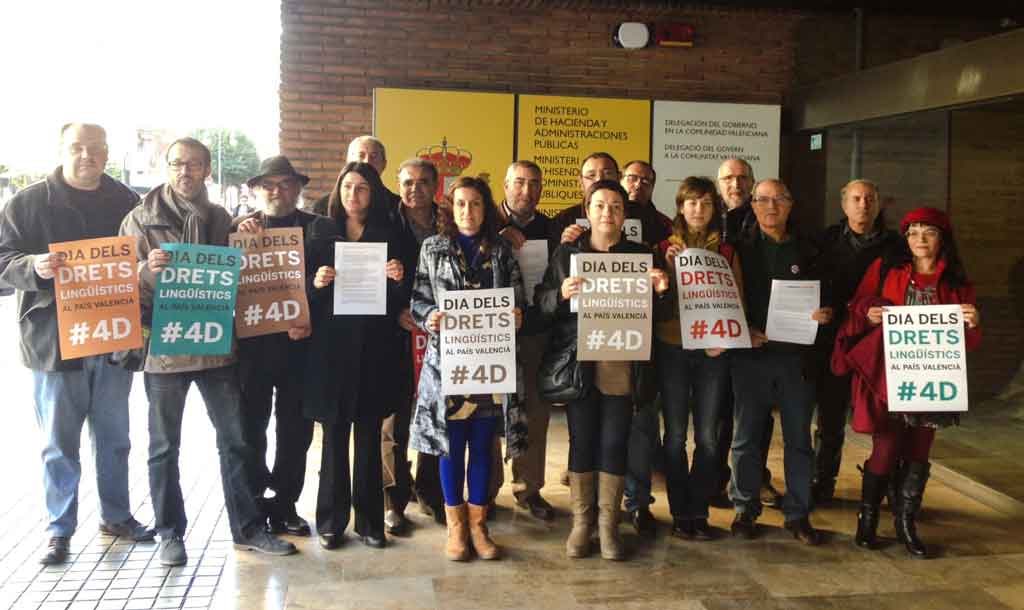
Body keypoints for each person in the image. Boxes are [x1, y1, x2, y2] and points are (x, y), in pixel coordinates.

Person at [121, 138, 297, 566]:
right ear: (167, 168)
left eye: (194, 164)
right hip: (164, 349)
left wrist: (248, 239)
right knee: (164, 446)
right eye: (178, 163)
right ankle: (169, 533)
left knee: (236, 440)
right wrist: (146, 272)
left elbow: (242, 272)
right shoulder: (139, 219)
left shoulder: (221, 218)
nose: (185, 171)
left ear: (206, 171)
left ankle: (248, 528)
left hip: (216, 348)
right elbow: (121, 285)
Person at [0, 123, 151, 565]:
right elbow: (2, 261)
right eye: (77, 148)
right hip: (53, 343)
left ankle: (117, 516)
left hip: (113, 339)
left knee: (115, 438)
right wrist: (33, 266)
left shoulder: (127, 200)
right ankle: (58, 530)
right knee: (58, 443)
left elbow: (148, 250)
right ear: (62, 149)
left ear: (107, 153)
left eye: (96, 148)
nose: (87, 155)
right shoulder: (26, 204)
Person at [834, 206, 980, 558]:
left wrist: (972, 324)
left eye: (927, 233)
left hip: (933, 380)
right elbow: (859, 304)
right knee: (885, 448)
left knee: (918, 452)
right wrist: (869, 310)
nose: (919, 240)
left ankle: (905, 522)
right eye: (913, 233)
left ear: (942, 238)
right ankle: (866, 519)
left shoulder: (956, 283)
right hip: (891, 376)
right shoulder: (889, 269)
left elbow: (967, 344)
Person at [536, 180, 669, 561]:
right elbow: (542, 301)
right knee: (582, 441)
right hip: (580, 362)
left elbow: (658, 315)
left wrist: (660, 289)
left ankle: (609, 524)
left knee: (614, 441)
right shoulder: (567, 253)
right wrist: (560, 293)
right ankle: (582, 522)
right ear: (587, 210)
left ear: (624, 214)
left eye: (615, 206)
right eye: (599, 205)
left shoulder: (640, 255)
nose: (607, 213)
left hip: (621, 363)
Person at [409, 175, 527, 561]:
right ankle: (456, 527)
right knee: (450, 446)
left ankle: (479, 524)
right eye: (460, 204)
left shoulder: (502, 250)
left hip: (490, 367)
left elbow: (518, 297)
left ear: (485, 207)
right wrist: (430, 318)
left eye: (475, 204)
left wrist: (517, 315)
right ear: (450, 207)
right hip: (449, 367)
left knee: (482, 444)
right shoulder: (433, 248)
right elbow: (419, 299)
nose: (468, 211)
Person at [304, 161, 408, 550]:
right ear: (338, 191)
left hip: (374, 347)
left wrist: (398, 278)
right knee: (333, 437)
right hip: (331, 348)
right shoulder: (320, 230)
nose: (354, 195)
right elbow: (302, 288)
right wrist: (315, 283)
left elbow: (404, 296)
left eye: (362, 188)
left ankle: (369, 523)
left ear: (374, 192)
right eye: (347, 187)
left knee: (368, 437)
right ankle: (331, 522)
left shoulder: (391, 232)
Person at [232, 156, 334, 536]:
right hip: (253, 349)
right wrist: (240, 243)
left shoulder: (320, 229)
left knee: (296, 431)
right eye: (269, 185)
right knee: (251, 429)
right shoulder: (236, 230)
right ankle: (256, 501)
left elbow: (331, 285)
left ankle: (286, 503)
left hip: (301, 347)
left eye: (286, 184)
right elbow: (225, 285)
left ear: (298, 189)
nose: (278, 192)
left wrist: (311, 306)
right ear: (256, 190)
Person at [728, 179, 832, 545]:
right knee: (746, 437)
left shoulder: (811, 249)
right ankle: (744, 507)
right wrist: (744, 329)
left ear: (791, 205)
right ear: (752, 205)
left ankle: (798, 513)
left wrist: (825, 313)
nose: (771, 206)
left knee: (798, 440)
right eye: (763, 200)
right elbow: (725, 300)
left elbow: (829, 295)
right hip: (751, 356)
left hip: (796, 359)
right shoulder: (736, 249)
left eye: (779, 199)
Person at [654, 177, 741, 540]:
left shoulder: (727, 251)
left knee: (707, 436)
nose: (698, 210)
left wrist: (727, 337)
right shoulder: (661, 247)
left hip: (712, 350)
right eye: (691, 203)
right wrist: (668, 271)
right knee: (674, 436)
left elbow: (737, 299)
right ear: (680, 206)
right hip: (672, 347)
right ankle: (678, 511)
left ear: (714, 209)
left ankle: (699, 510)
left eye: (706, 203)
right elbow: (653, 302)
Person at [811, 179, 899, 504]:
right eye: (856, 198)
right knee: (830, 419)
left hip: (878, 346)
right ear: (844, 204)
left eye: (870, 199)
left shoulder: (896, 247)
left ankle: (884, 486)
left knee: (883, 421)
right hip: (834, 343)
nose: (863, 204)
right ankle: (822, 484)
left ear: (878, 205)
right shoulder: (824, 241)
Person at [712, 157, 781, 510]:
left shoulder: (765, 218)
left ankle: (757, 478)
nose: (735, 184)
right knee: (718, 412)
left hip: (756, 332)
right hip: (715, 332)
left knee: (756, 414)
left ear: (751, 183)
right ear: (718, 183)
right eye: (728, 178)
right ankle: (718, 480)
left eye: (742, 178)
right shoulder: (707, 215)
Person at [383, 157, 445, 534]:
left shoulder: (449, 221)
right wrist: (396, 311)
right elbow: (371, 274)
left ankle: (431, 491)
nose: (414, 189)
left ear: (435, 186)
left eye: (423, 182)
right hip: (395, 334)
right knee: (394, 419)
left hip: (440, 334)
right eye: (407, 182)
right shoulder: (385, 222)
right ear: (398, 183)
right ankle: (394, 499)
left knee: (436, 413)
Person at [494, 160, 555, 521]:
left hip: (534, 331)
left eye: (534, 184)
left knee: (534, 412)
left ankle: (528, 489)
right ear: (505, 185)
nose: (526, 191)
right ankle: (483, 491)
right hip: (488, 332)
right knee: (485, 412)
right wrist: (495, 239)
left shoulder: (550, 227)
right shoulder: (487, 222)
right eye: (519, 183)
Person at [617, 159, 672, 536]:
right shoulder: (577, 241)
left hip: (642, 346)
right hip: (597, 346)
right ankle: (600, 506)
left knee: (641, 428)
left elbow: (665, 306)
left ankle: (638, 503)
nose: (638, 185)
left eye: (645, 180)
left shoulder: (662, 232)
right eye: (631, 179)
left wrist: (663, 284)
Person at [312, 135, 398, 215]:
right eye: (361, 156)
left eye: (373, 156)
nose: (367, 162)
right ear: (348, 162)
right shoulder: (323, 206)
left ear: (384, 164)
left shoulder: (397, 206)